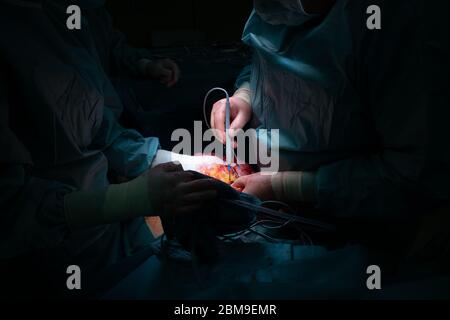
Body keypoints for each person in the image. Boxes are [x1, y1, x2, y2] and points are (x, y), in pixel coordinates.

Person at [0, 0, 218, 297]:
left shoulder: (67, 15)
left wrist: (184, 161)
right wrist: (131, 197)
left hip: (114, 229)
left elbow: (99, 127)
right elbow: (10, 211)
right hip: (56, 257)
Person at [211, 0, 450, 221]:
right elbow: (267, 58)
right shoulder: (280, 7)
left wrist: (291, 187)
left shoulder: (391, 24)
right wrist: (247, 94)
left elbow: (415, 176)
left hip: (348, 228)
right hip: (268, 200)